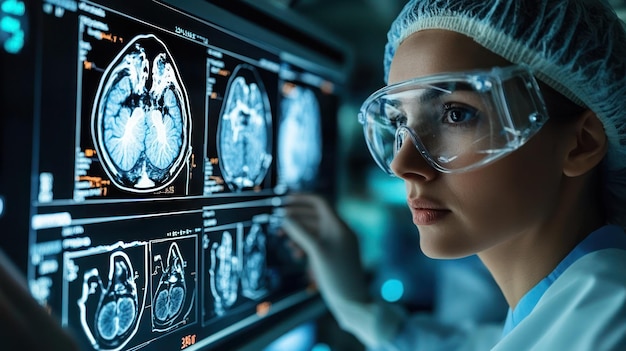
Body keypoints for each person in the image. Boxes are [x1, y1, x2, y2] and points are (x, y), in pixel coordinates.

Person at [282, 0, 626, 350]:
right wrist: (357, 309)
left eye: (456, 114)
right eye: (400, 122)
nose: (402, 164)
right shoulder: (573, 310)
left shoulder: (609, 327)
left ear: (581, 144)